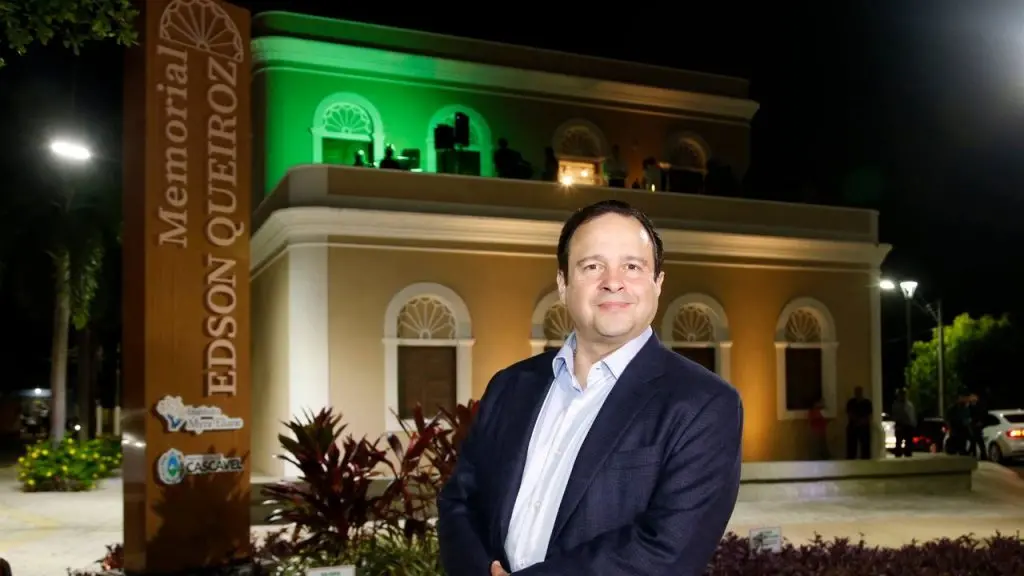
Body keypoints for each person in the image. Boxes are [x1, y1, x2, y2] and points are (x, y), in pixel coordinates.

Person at [437, 200, 744, 576]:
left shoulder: (705, 405)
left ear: (658, 283)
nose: (613, 281)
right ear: (563, 284)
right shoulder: (510, 387)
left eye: (632, 266)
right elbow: (459, 502)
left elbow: (667, 550)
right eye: (592, 266)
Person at [845, 386, 872, 459]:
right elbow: (849, 414)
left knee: (865, 446)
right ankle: (851, 459)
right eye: (857, 392)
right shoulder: (851, 402)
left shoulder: (867, 403)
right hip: (853, 427)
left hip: (863, 427)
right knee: (851, 446)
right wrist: (857, 421)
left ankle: (865, 459)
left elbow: (869, 415)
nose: (858, 393)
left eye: (859, 392)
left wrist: (860, 422)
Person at [890, 388, 917, 457]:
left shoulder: (909, 405)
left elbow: (912, 415)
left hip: (908, 425)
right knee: (899, 441)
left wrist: (913, 424)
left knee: (908, 441)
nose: (903, 396)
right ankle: (898, 452)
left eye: (904, 394)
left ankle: (907, 452)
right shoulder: (896, 405)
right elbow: (894, 415)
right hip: (900, 424)